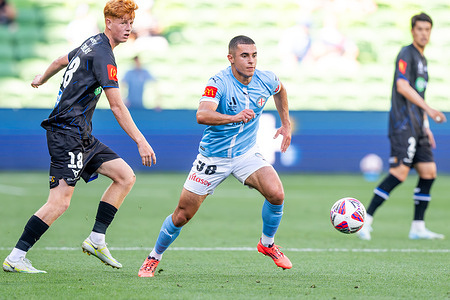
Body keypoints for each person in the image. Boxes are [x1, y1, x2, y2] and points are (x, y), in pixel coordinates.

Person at [2, 0, 156, 274]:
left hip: (81, 134)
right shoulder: (104, 55)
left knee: (125, 176)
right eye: (122, 22)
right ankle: (16, 257)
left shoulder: (93, 42)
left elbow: (62, 60)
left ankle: (96, 239)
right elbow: (118, 106)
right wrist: (141, 141)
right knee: (60, 201)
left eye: (130, 22)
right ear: (108, 22)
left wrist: (43, 78)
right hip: (67, 133)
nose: (127, 27)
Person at [138, 35, 293, 278]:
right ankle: (153, 258)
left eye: (254, 55)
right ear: (231, 58)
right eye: (244, 56)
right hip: (213, 158)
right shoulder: (218, 82)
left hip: (246, 153)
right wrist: (233, 117)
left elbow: (280, 90)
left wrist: (286, 124)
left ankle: (267, 243)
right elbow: (202, 114)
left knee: (277, 193)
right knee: (182, 215)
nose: (251, 61)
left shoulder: (266, 79)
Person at [357, 13, 446, 241]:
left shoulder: (423, 60)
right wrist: (429, 109)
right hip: (403, 125)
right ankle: (366, 221)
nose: (424, 33)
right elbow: (402, 86)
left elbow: (419, 92)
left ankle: (418, 227)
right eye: (420, 29)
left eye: (427, 29)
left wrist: (426, 126)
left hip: (418, 126)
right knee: (399, 173)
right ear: (412, 31)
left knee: (429, 172)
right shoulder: (407, 53)